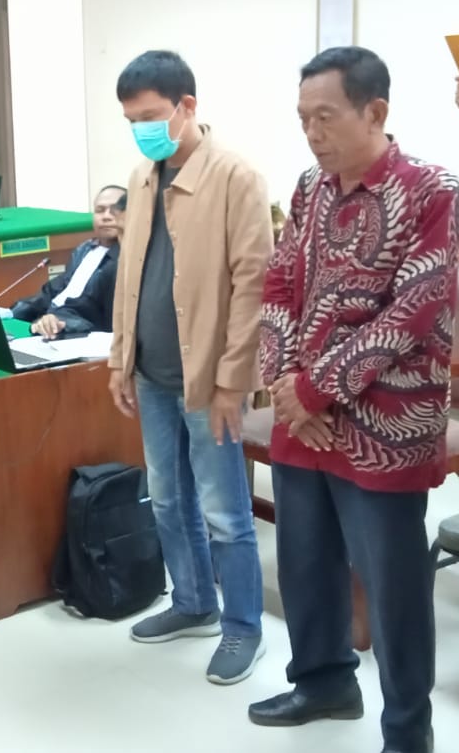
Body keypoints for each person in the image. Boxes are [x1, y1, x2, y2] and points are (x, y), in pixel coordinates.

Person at [252, 47, 459, 753]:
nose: (312, 133)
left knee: (392, 584)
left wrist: (314, 391)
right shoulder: (310, 187)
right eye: (303, 119)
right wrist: (283, 383)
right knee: (305, 562)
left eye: (326, 117)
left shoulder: (431, 189)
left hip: (385, 424)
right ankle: (322, 683)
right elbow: (280, 282)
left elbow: (415, 309)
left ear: (375, 112)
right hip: (302, 416)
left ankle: (407, 730)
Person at [106, 50, 272, 685]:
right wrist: (122, 358)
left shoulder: (236, 177)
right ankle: (194, 603)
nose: (141, 130)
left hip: (209, 382)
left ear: (187, 106)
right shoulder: (142, 176)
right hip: (151, 374)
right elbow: (130, 277)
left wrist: (234, 382)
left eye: (150, 116)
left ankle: (243, 628)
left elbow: (253, 287)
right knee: (168, 500)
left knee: (225, 512)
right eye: (131, 121)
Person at [11, 184, 125, 338]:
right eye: (100, 210)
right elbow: (54, 290)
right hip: (52, 324)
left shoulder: (124, 262)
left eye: (115, 210)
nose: (106, 216)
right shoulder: (85, 249)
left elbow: (95, 316)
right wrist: (15, 310)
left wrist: (58, 322)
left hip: (78, 336)